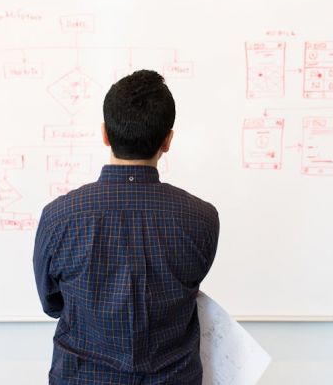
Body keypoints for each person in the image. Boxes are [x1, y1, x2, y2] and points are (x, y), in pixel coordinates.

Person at [33, 69, 220, 384]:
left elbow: (52, 303)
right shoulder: (201, 217)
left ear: (105, 134)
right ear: (168, 140)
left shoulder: (59, 216)